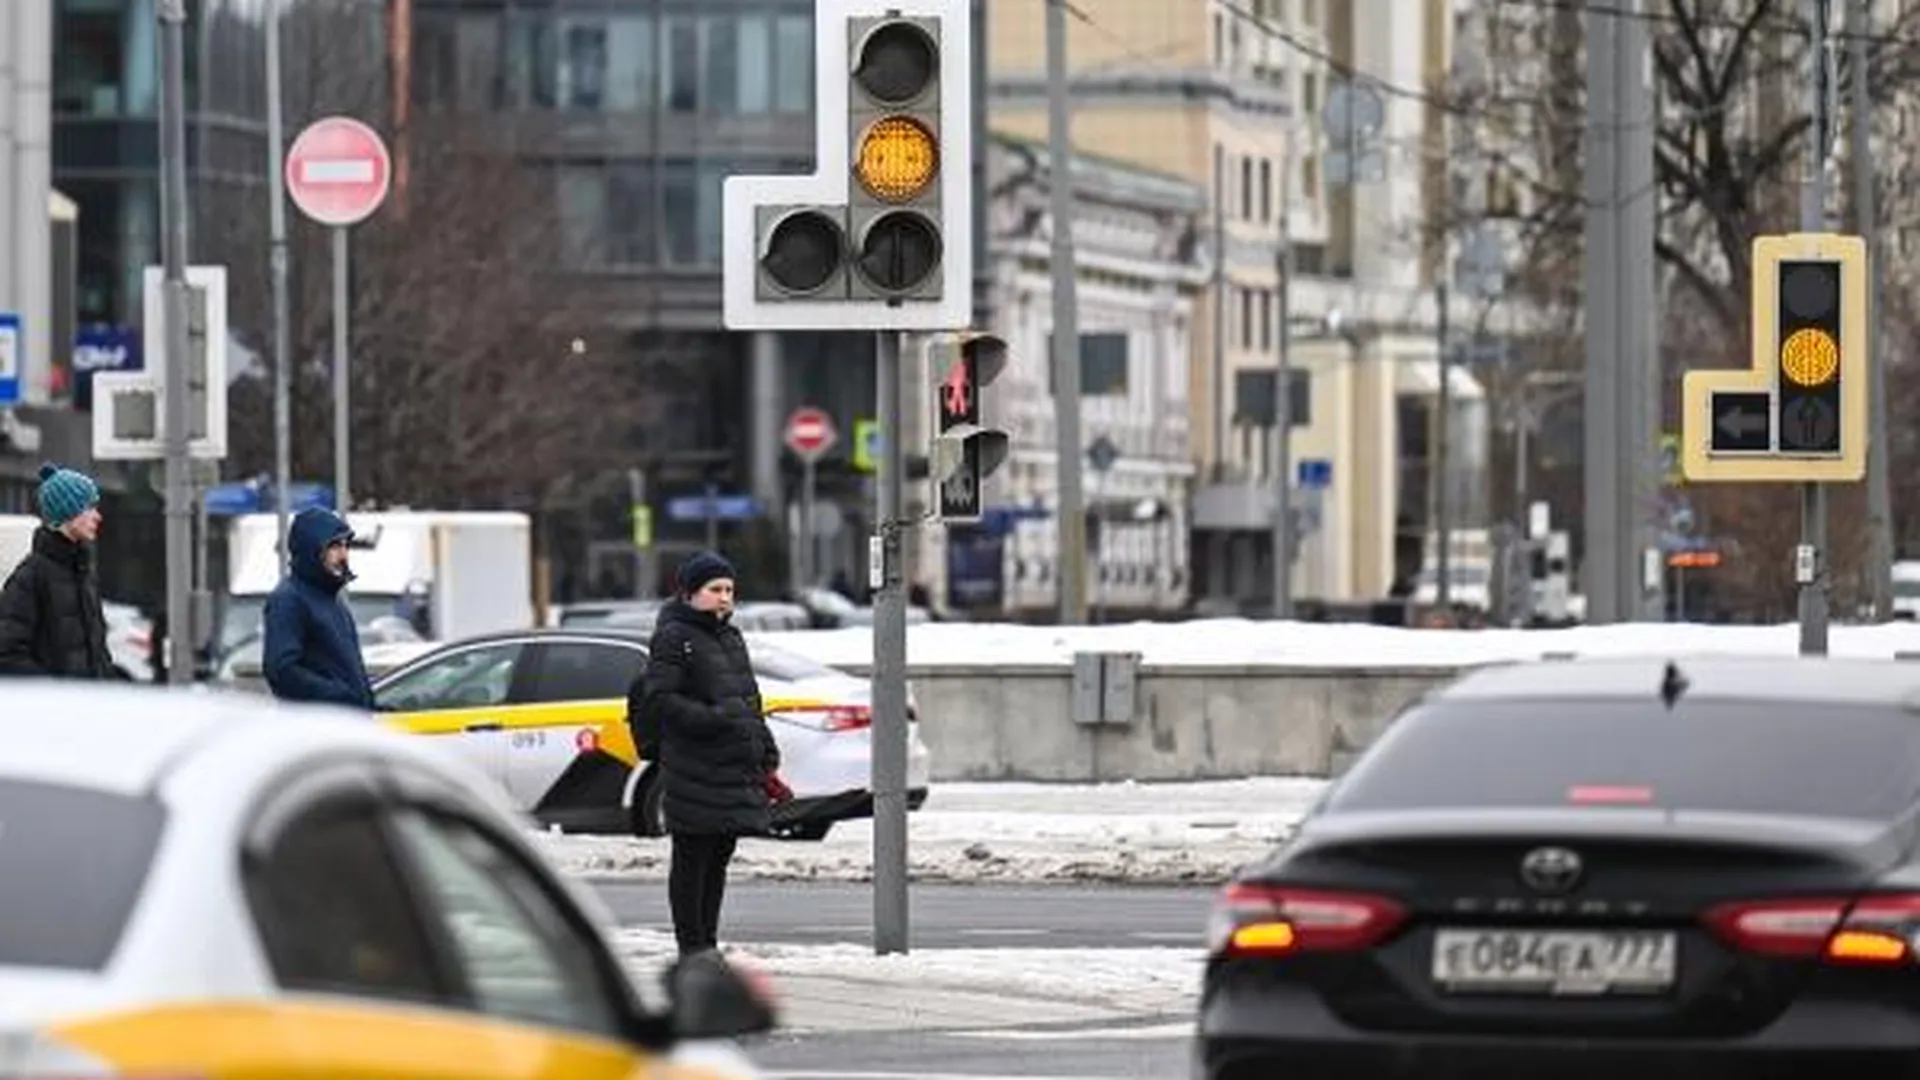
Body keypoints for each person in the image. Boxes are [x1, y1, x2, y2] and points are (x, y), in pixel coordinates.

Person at [634, 550, 788, 957]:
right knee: (693, 856)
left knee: (719, 854)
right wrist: (714, 719)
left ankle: (708, 945)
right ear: (689, 594)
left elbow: (748, 701)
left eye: (729, 590)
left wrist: (765, 753)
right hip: (693, 765)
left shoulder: (730, 638)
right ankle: (693, 947)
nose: (724, 597)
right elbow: (661, 699)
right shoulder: (673, 637)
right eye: (714, 589)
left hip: (731, 765)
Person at [0, 463, 112, 679]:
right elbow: (7, 654)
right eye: (88, 508)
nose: (97, 516)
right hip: (56, 711)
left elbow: (99, 654)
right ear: (66, 512)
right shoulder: (30, 577)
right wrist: (54, 694)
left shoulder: (84, 573)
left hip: (92, 709)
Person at [262, 507, 373, 709]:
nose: (343, 554)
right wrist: (339, 698)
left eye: (345, 545)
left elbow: (345, 669)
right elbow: (281, 670)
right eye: (334, 547)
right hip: (317, 727)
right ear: (311, 550)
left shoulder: (332, 600)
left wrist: (367, 703)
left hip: (344, 724)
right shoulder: (289, 599)